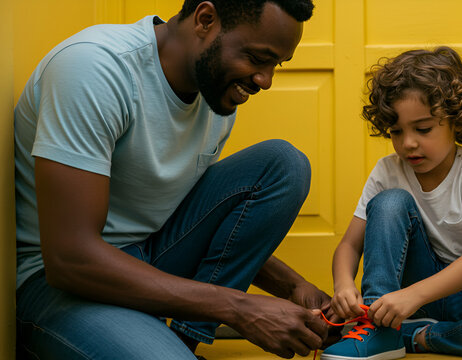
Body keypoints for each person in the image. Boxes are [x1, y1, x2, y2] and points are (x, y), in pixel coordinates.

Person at [14, 1, 341, 359]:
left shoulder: (214, 91)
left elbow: (197, 218)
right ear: (205, 20)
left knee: (283, 164)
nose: (265, 80)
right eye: (257, 58)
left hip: (147, 255)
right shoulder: (95, 68)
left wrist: (293, 287)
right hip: (59, 285)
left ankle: (184, 345)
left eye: (275, 65)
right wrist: (240, 309)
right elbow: (70, 260)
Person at [321, 47, 462, 360]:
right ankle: (377, 328)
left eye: (423, 129)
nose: (408, 143)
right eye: (396, 131)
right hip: (407, 293)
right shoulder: (387, 170)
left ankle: (415, 335)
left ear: (456, 120)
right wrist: (342, 286)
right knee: (390, 201)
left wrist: (412, 297)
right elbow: (349, 247)